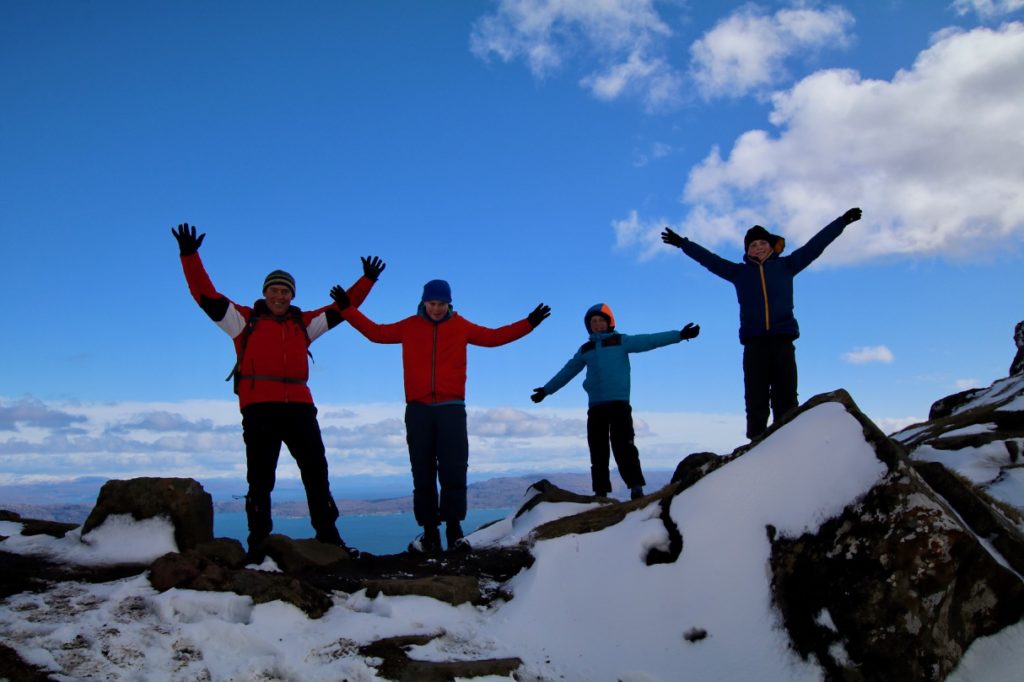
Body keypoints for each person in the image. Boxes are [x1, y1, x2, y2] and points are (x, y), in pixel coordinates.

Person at [171, 223, 385, 561]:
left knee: (316, 472)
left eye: (285, 292)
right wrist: (189, 255)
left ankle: (329, 537)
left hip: (300, 408)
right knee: (260, 478)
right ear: (265, 293)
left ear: (292, 296)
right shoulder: (243, 321)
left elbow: (342, 309)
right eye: (274, 290)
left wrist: (367, 281)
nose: (280, 296)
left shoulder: (304, 324)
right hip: (259, 410)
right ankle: (259, 543)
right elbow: (204, 295)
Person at [330, 278, 550, 553]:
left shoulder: (461, 326)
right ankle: (430, 531)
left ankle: (454, 529)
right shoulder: (409, 326)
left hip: (452, 408)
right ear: (424, 302)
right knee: (422, 471)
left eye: (442, 304)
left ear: (449, 304)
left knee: (454, 469)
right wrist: (347, 309)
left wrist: (528, 323)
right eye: (432, 303)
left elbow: (494, 337)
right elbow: (375, 333)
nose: (436, 308)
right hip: (418, 409)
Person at [661, 208, 862, 440]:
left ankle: (789, 439)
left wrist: (841, 222)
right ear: (747, 250)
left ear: (771, 245)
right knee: (755, 396)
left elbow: (815, 246)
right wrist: (683, 244)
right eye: (752, 245)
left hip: (782, 341)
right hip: (754, 344)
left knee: (785, 395)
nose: (757, 247)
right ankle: (755, 443)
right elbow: (710, 260)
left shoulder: (787, 266)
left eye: (761, 243)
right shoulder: (739, 273)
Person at [530, 303, 700, 500]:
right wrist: (546, 390)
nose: (597, 324)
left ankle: (636, 487)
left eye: (601, 320)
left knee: (624, 446)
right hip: (596, 406)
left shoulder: (621, 341)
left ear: (609, 323)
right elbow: (568, 371)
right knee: (598, 450)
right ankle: (600, 492)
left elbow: (650, 341)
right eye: (593, 321)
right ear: (588, 326)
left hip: (619, 403)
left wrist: (679, 335)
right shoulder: (586, 349)